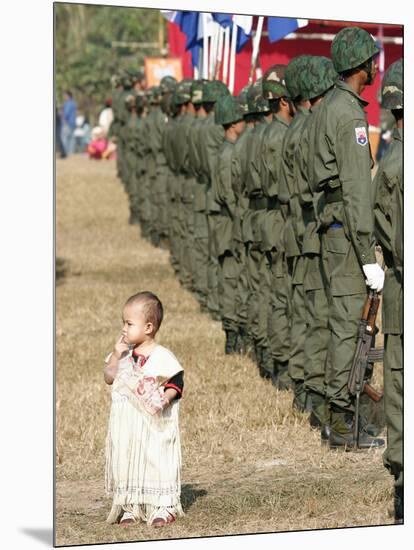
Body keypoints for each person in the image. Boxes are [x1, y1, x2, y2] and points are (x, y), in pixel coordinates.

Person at [308, 26, 385, 449]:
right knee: (348, 328)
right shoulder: (350, 114)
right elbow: (356, 190)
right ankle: (341, 422)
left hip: (334, 230)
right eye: (371, 59)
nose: (375, 66)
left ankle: (342, 417)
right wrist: (368, 255)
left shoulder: (330, 106)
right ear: (360, 66)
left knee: (344, 325)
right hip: (346, 235)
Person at [104, 291, 185, 527]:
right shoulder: (122, 356)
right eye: (123, 323)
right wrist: (117, 355)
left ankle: (163, 505)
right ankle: (131, 506)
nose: (124, 328)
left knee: (156, 460)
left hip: (154, 425)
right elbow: (108, 378)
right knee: (127, 459)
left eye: (129, 323)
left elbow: (176, 382)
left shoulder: (163, 356)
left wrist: (163, 398)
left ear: (148, 327)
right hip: (127, 424)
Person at [373, 58, 403, 523]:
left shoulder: (392, 162)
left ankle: (405, 483)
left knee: (401, 383)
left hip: (402, 287)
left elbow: (380, 228)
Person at [212, 95, 245, 353]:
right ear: (233, 123)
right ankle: (233, 335)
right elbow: (229, 195)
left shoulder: (230, 151)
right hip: (231, 228)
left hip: (232, 225)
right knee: (233, 280)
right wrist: (244, 221)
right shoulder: (228, 154)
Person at [61, 90, 77, 155]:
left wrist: (62, 118)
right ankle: (71, 153)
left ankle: (65, 152)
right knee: (71, 139)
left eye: (65, 95)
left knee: (64, 138)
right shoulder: (73, 103)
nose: (64, 97)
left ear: (68, 96)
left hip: (67, 123)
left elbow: (66, 114)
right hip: (73, 123)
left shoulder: (67, 104)